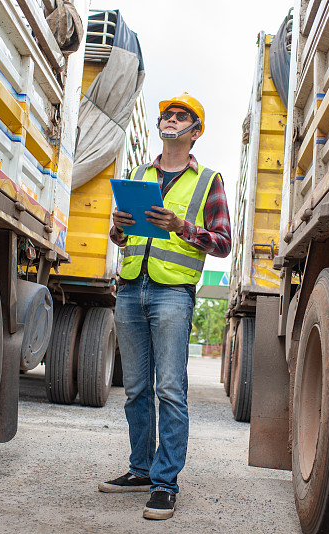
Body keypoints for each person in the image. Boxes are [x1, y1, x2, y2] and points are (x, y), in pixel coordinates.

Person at [98, 93, 231, 520]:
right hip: (132, 287)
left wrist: (181, 227)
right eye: (166, 115)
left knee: (170, 389)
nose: (170, 119)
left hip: (173, 292)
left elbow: (224, 243)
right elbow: (124, 239)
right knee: (136, 389)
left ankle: (165, 483)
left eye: (181, 116)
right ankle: (141, 469)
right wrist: (118, 229)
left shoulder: (209, 181)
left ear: (195, 132)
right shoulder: (138, 174)